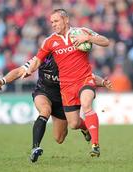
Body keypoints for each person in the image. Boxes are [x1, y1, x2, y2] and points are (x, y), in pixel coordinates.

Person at [21, 9, 110, 157]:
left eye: (56, 21)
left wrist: (88, 38)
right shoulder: (50, 41)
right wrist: (30, 70)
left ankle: (95, 145)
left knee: (87, 104)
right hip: (67, 87)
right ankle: (85, 128)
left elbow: (105, 41)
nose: (53, 24)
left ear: (66, 20)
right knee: (74, 124)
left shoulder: (82, 32)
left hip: (84, 79)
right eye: (52, 22)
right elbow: (38, 59)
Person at [0, 54, 112, 162]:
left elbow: (87, 76)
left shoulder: (71, 60)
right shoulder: (42, 57)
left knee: (61, 137)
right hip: (43, 93)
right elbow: (19, 71)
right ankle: (35, 147)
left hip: (63, 99)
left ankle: (84, 127)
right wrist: (2, 81)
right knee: (45, 110)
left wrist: (103, 82)